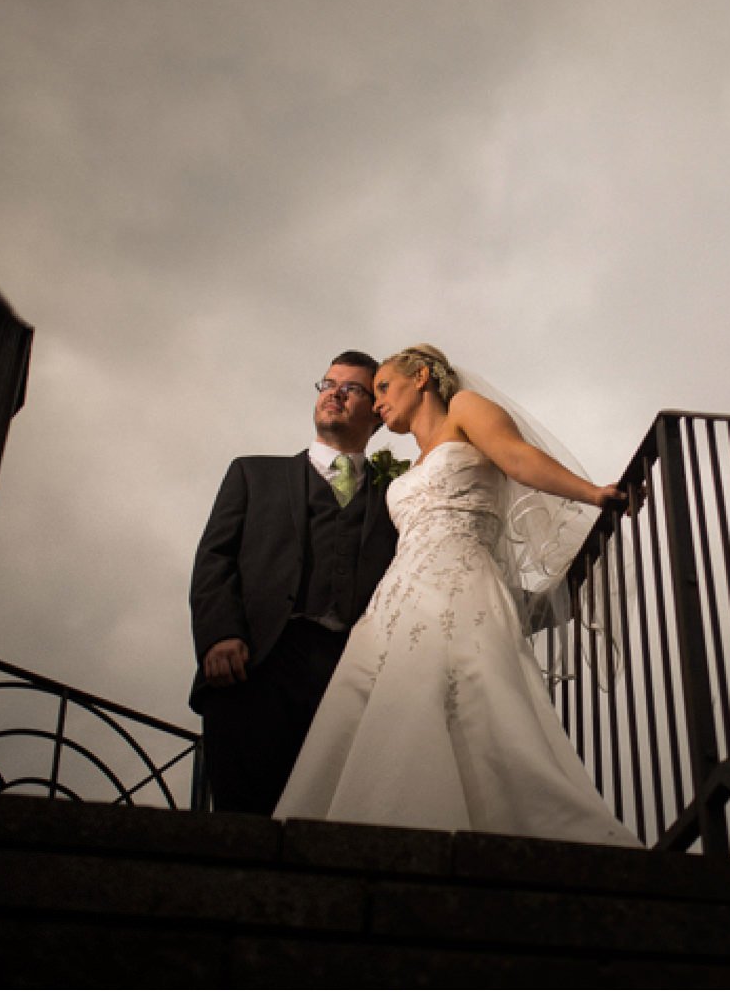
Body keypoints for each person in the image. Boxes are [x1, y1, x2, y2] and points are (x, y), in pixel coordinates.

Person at [274, 344, 641, 847]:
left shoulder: (466, 410)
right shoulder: (406, 470)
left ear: (422, 377)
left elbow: (516, 458)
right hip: (394, 603)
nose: (377, 402)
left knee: (472, 704)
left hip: (461, 584)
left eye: (383, 387)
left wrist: (592, 493)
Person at [187, 351, 401, 814]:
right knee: (241, 821)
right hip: (255, 663)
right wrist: (221, 633)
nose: (334, 393)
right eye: (327, 383)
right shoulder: (252, 473)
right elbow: (214, 558)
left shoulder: (397, 497)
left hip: (349, 674)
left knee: (331, 823)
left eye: (352, 388)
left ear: (377, 414)